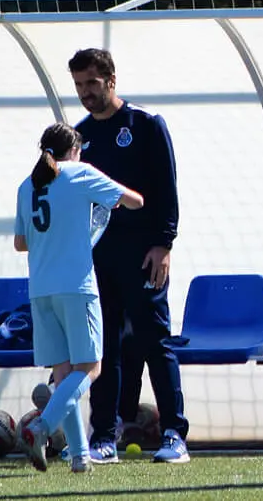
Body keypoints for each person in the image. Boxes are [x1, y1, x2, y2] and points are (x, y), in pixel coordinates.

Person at [69, 48, 189, 464]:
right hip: (98, 259)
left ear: (111, 80)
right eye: (79, 85)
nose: (85, 92)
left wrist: (164, 243)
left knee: (156, 341)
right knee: (102, 349)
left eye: (92, 83)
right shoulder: (79, 137)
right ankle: (104, 435)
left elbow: (166, 188)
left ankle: (174, 434)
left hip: (143, 255)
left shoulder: (146, 125)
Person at [14, 122, 144, 473]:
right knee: (91, 367)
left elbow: (20, 242)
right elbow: (135, 201)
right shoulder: (79, 172)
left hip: (40, 289)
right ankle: (41, 427)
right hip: (75, 285)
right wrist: (99, 215)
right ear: (74, 150)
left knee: (64, 371)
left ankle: (79, 457)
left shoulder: (27, 185)